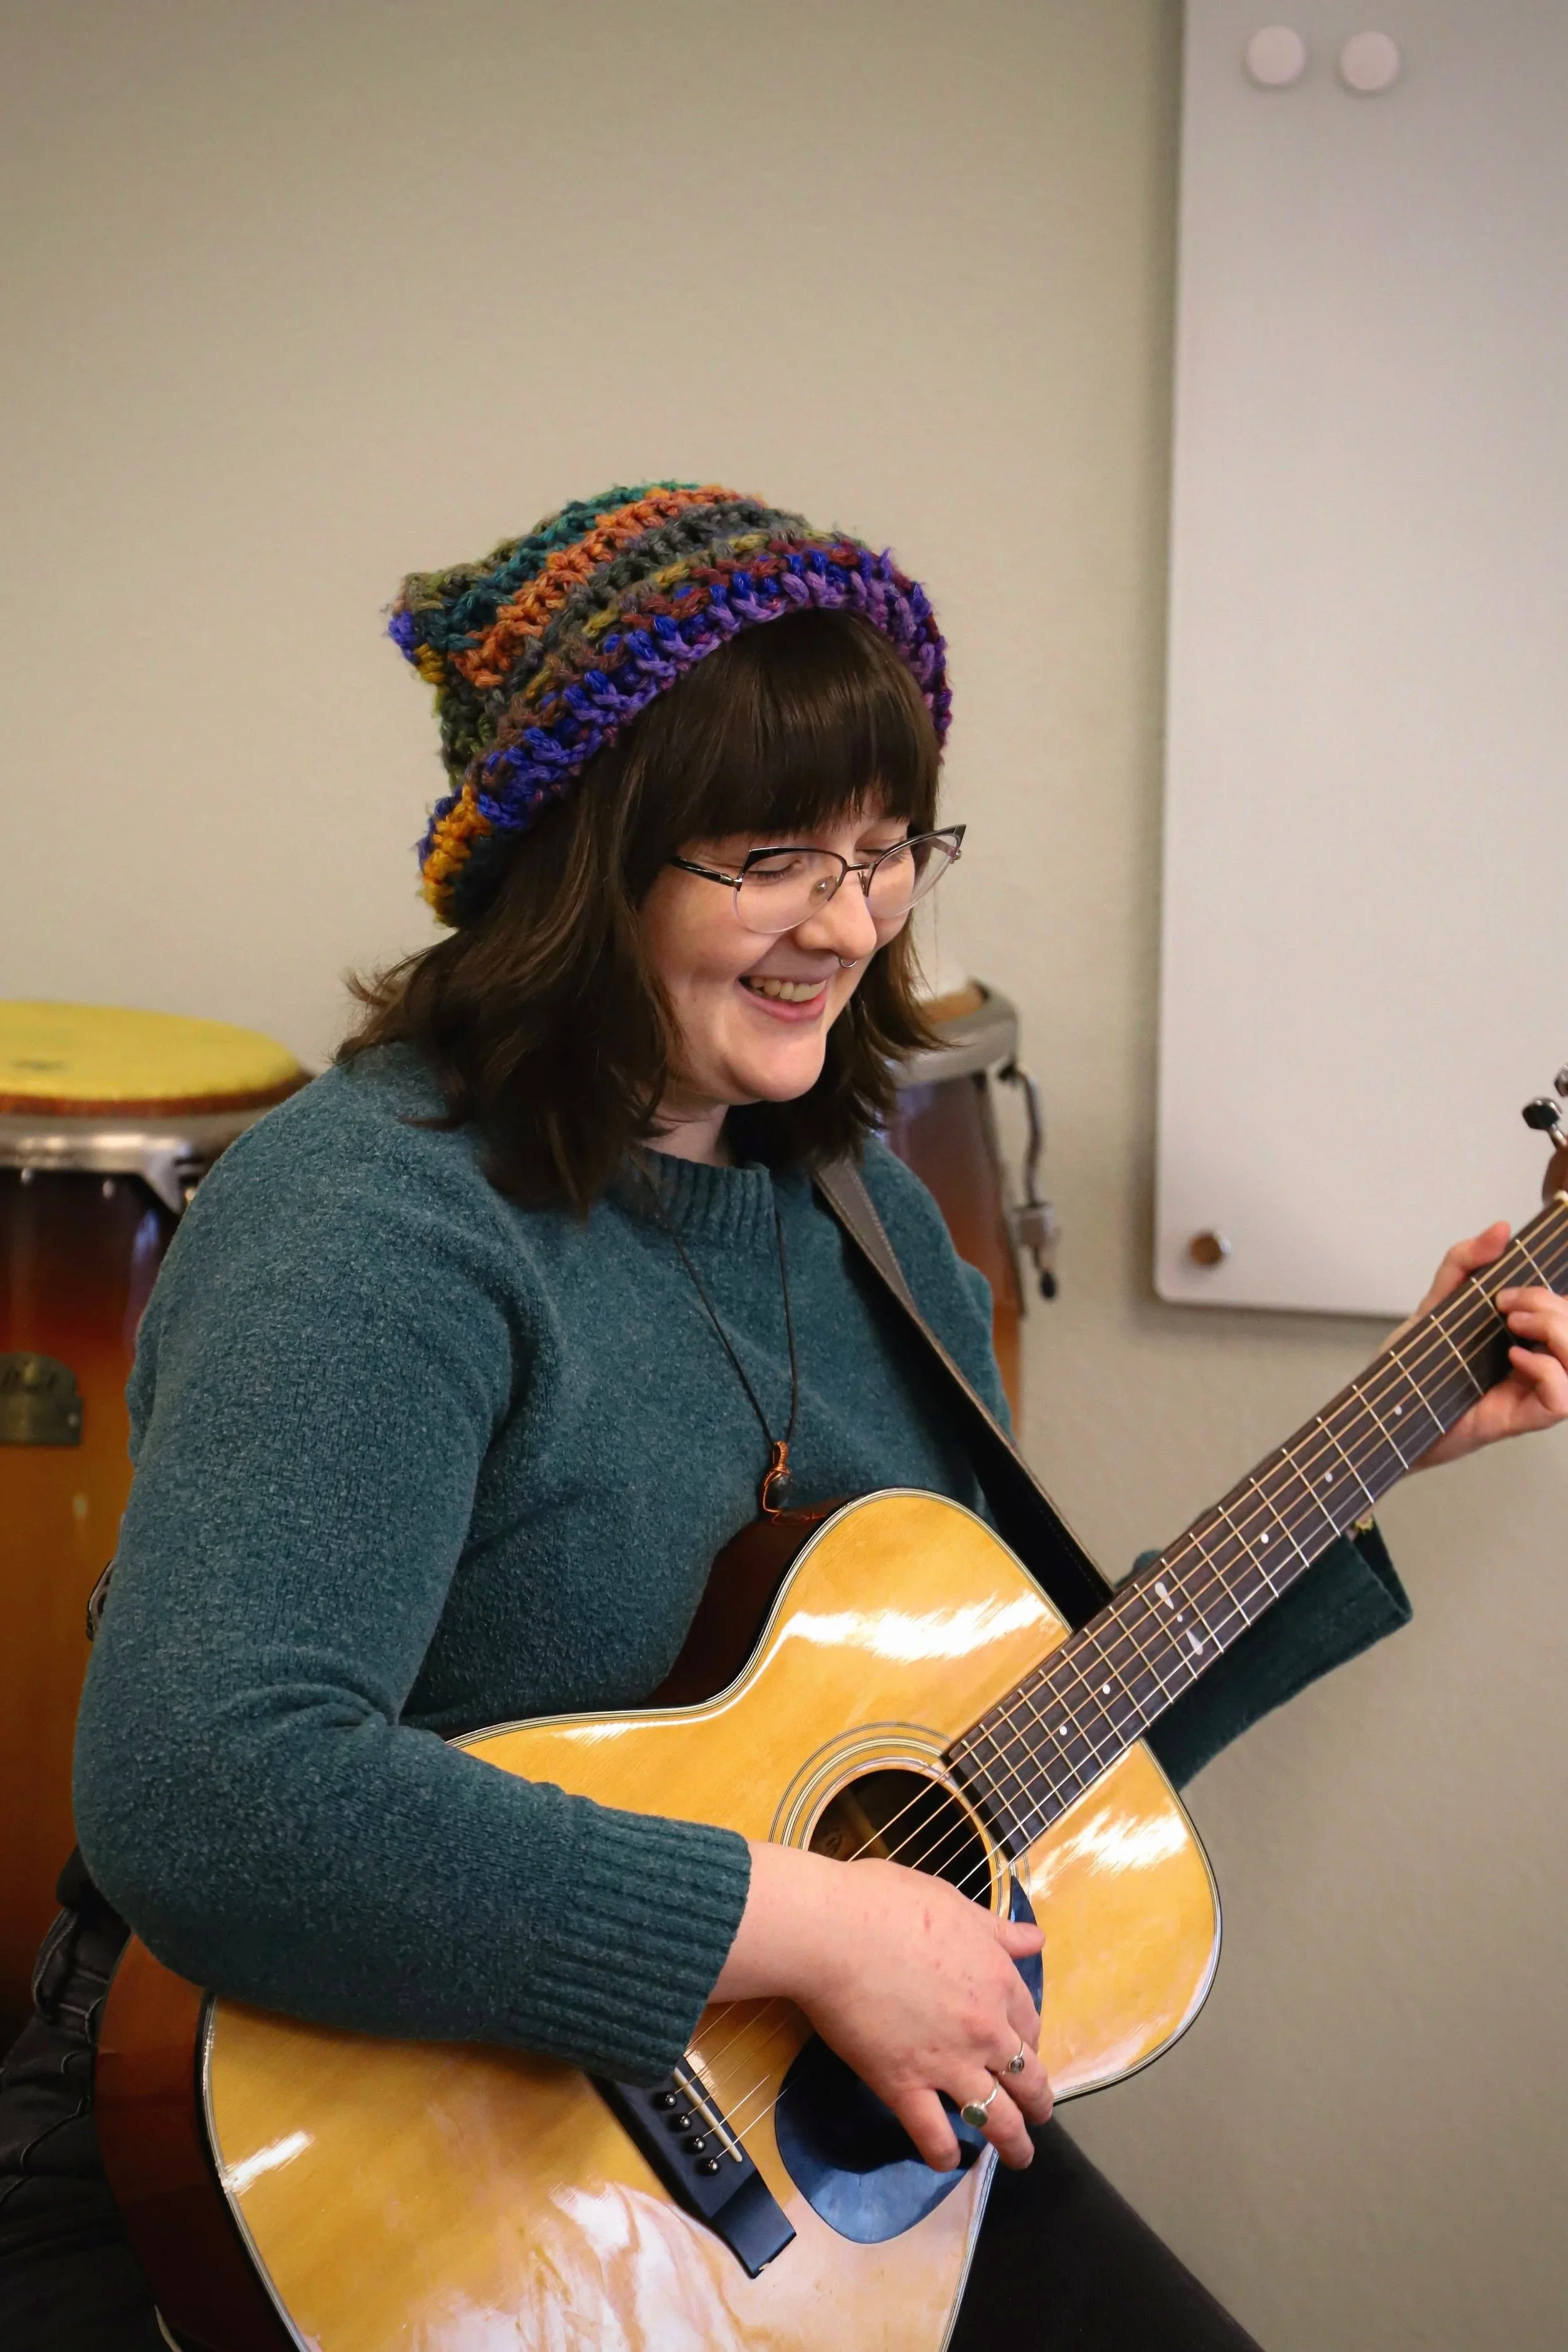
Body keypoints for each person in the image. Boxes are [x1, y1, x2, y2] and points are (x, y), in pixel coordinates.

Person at [3, 484, 1565, 2352]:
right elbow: (213, 1793)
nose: (850, 918)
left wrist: (1397, 1434)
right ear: (584, 858)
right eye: (770, 853)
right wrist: (813, 1928)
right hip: (323, 2181)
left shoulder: (865, 1214)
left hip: (753, 2136)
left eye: (890, 844)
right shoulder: (372, 1214)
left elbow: (984, 1769)